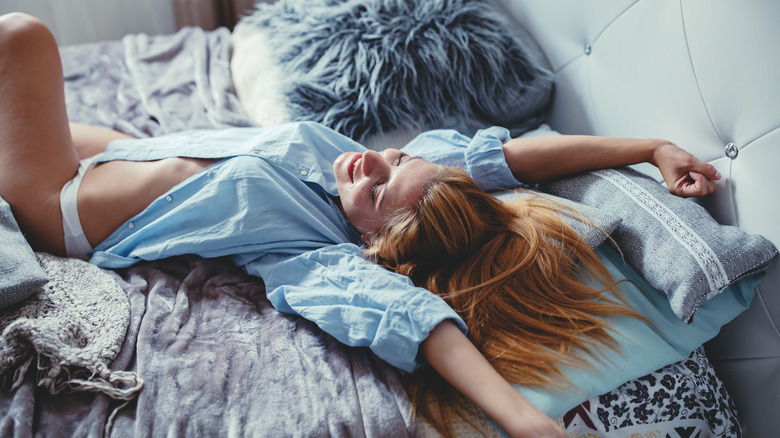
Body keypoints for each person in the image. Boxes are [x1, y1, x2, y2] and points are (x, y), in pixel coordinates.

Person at [0, 13, 721, 438]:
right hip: (124, 150)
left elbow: (419, 321)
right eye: (391, 157)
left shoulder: (314, 255)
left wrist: (527, 423)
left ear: (379, 239)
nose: (367, 164)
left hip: (63, 203)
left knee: (21, 36)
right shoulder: (407, 169)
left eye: (377, 189)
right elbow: (509, 155)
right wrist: (648, 146)